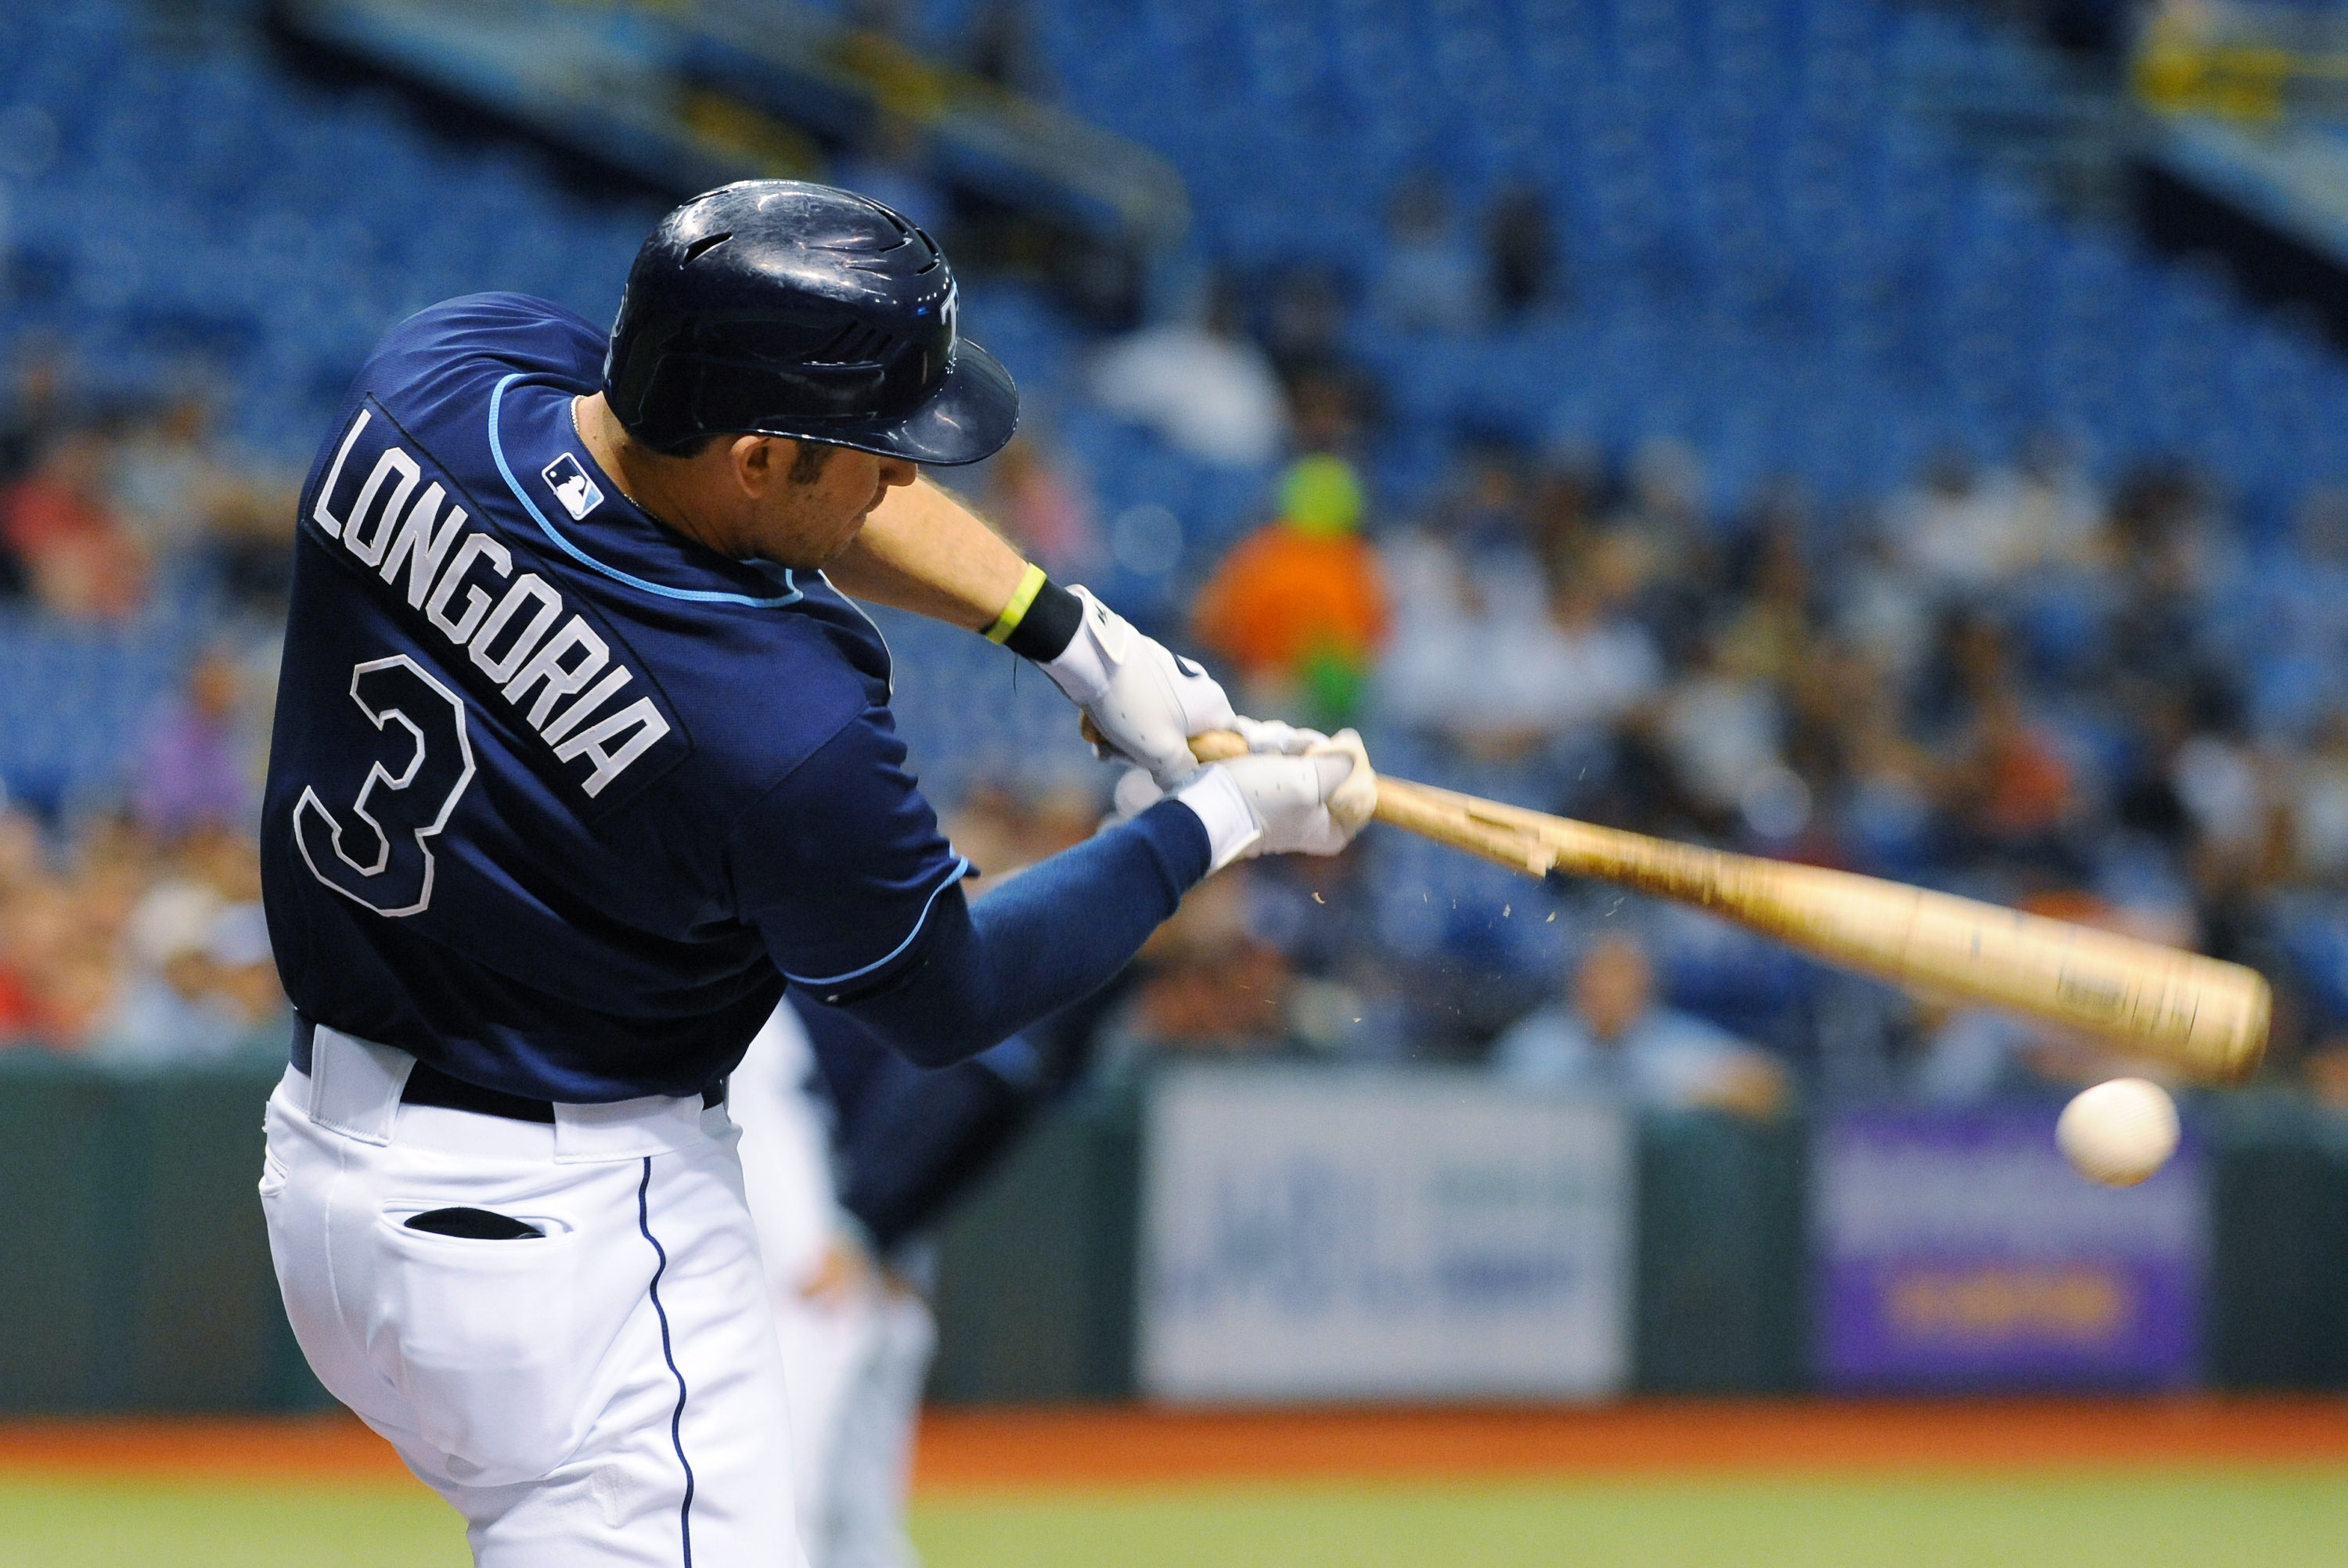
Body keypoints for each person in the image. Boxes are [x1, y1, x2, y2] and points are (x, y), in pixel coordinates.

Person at [254, 180, 1374, 1568]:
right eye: (875, 452)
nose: (903, 481)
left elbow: (716, 467)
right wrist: (1207, 825)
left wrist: (1071, 634)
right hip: (575, 1233)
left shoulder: (434, 376)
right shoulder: (780, 713)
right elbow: (948, 992)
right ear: (761, 455)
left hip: (326, 1188)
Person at [1489, 933, 1786, 1117]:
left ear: (1645, 986)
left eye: (1622, 977)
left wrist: (1697, 1095)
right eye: (1600, 976)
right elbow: (1493, 1109)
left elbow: (1769, 1085)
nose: (1609, 990)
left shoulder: (1673, 1040)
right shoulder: (1537, 1043)